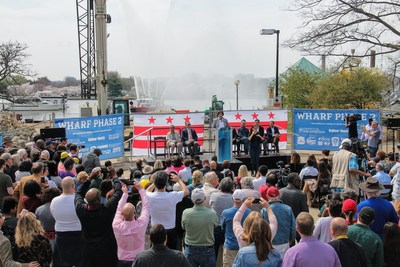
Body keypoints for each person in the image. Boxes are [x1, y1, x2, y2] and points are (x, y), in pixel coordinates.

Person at [75, 167, 123, 267]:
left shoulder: (81, 209)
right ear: (99, 198)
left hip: (88, 252)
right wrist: (114, 177)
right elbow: (118, 192)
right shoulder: (106, 208)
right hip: (106, 251)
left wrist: (90, 178)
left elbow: (78, 192)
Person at [146, 171, 189, 250]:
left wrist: (156, 182)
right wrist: (178, 180)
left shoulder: (150, 196)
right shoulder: (172, 196)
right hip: (170, 231)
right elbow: (186, 191)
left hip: (155, 230)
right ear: (166, 184)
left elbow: (147, 191)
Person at [112, 181, 149, 266]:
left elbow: (118, 209)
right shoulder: (141, 224)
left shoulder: (116, 225)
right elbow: (146, 206)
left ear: (122, 214)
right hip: (138, 261)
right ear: (135, 213)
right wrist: (141, 189)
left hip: (122, 261)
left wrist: (125, 194)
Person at [182, 188, 219, 267]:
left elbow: (183, 227)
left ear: (192, 200)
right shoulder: (212, 213)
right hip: (207, 249)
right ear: (204, 199)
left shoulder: (186, 213)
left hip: (190, 248)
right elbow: (216, 225)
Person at [50, 177, 82, 267]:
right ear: (73, 186)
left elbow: (54, 215)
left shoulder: (54, 201)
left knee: (62, 261)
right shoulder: (79, 200)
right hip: (78, 233)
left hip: (61, 235)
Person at [261, 186, 295, 257]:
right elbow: (293, 227)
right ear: (278, 195)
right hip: (284, 242)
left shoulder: (264, 210)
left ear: (267, 196)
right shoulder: (288, 209)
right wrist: (290, 240)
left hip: (269, 243)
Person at [221, 189, 250, 267]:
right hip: (244, 246)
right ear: (243, 199)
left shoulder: (226, 212)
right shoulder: (249, 212)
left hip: (230, 246)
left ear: (232, 198)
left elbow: (222, 227)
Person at [209, 178, 234, 260]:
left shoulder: (214, 195)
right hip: (228, 227)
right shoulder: (233, 198)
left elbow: (210, 206)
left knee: (214, 252)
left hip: (216, 227)